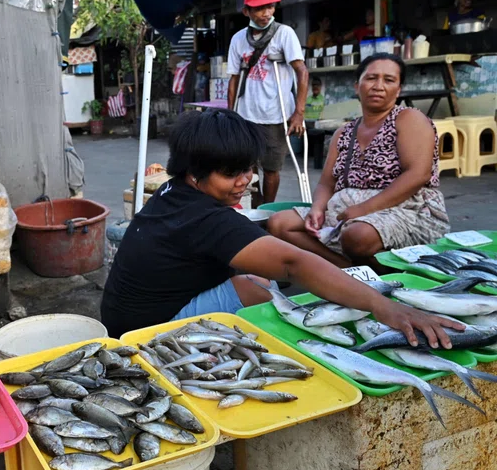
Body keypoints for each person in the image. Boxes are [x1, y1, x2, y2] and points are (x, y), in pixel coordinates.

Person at [100, 109, 461, 348]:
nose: (247, 181)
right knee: (259, 287)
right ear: (194, 173)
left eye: (248, 169)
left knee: (258, 275)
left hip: (122, 318)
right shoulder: (208, 218)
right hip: (143, 335)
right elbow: (293, 264)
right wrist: (385, 308)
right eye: (231, 174)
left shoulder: (173, 189)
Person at [268, 54, 450, 270]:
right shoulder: (343, 133)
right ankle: (347, 269)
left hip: (408, 210)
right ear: (357, 86)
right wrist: (317, 209)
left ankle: (377, 270)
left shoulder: (408, 118)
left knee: (357, 236)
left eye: (389, 80)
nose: (379, 86)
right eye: (371, 78)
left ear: (398, 90)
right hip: (347, 211)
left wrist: (364, 209)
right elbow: (327, 183)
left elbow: (418, 174)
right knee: (279, 224)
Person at [227, 0, 309, 205]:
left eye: (270, 7)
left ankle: (267, 209)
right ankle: (255, 207)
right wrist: (230, 115)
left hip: (275, 114)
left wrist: (299, 113)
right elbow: (233, 79)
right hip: (246, 115)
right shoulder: (237, 40)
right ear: (247, 11)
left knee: (271, 170)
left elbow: (301, 72)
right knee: (248, 169)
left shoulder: (284, 34)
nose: (266, 13)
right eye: (260, 8)